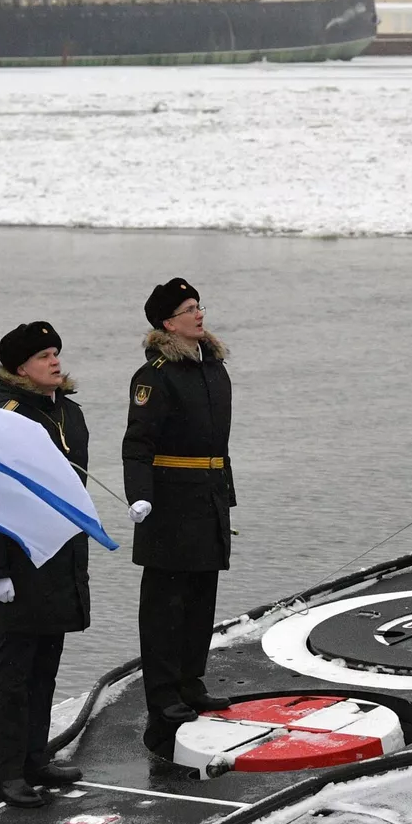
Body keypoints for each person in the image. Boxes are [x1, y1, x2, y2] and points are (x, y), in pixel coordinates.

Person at [0, 322, 91, 808]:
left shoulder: (67, 412)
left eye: (57, 352)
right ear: (20, 368)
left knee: (46, 665)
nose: (55, 361)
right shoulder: (4, 417)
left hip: (60, 556)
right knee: (14, 671)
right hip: (19, 561)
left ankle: (35, 757)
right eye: (44, 355)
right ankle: (7, 772)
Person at [123, 278, 236, 755]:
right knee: (165, 605)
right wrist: (141, 495)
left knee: (199, 596)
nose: (199, 314)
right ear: (168, 323)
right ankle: (163, 695)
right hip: (169, 502)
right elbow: (137, 444)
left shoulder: (212, 366)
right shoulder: (156, 376)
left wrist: (224, 492)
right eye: (189, 309)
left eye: (199, 305)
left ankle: (191, 682)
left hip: (208, 496)